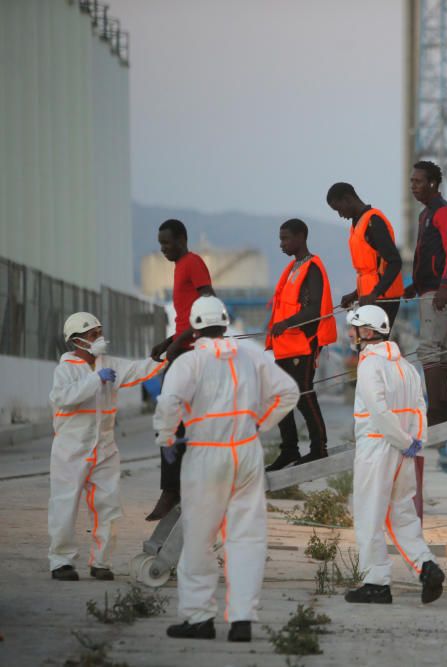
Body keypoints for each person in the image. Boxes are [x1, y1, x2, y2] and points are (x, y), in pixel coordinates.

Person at [154, 296, 299, 641]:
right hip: (246, 454)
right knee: (246, 538)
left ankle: (199, 618)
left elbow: (170, 402)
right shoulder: (251, 354)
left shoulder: (189, 363)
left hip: (206, 455)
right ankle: (242, 621)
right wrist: (258, 424)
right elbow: (288, 392)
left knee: (199, 539)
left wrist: (166, 437)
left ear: (194, 327)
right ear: (224, 321)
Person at [49, 313, 166, 581]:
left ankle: (101, 562)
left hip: (104, 449)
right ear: (77, 341)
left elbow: (139, 369)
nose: (99, 338)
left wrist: (166, 354)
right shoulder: (64, 370)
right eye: (93, 335)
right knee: (64, 506)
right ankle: (60, 561)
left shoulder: (109, 364)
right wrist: (95, 380)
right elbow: (64, 398)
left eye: (99, 332)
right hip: (71, 451)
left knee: (108, 506)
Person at [344, 305, 446, 605]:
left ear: (368, 332)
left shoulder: (369, 365)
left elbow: (378, 412)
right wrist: (415, 442)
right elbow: (419, 408)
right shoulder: (406, 367)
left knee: (369, 516)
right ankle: (427, 567)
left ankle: (376, 582)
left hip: (377, 448)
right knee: (402, 514)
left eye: (355, 328)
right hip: (405, 452)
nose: (351, 334)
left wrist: (401, 440)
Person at [147, 219, 215, 521]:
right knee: (175, 423)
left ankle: (172, 490)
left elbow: (208, 306)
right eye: (160, 244)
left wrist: (180, 343)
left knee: (171, 419)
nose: (163, 249)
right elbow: (187, 318)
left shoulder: (193, 263)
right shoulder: (179, 266)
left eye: (168, 243)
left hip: (191, 354)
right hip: (182, 348)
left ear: (183, 239)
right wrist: (167, 342)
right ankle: (178, 486)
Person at [265, 218, 338, 471]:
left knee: (304, 395)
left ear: (301, 237)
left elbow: (314, 309)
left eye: (285, 238)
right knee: (280, 397)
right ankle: (289, 450)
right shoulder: (293, 268)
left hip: (303, 345)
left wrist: (286, 323)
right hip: (286, 347)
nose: (281, 244)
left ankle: (319, 448)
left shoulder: (313, 267)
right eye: (280, 238)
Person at [406, 161, 447, 425]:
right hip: (428, 288)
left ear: (432, 183)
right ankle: (440, 408)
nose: (413, 186)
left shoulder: (444, 213)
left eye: (418, 181)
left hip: (440, 290)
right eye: (412, 181)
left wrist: (445, 285)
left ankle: (435, 411)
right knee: (438, 347)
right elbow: (423, 253)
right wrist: (415, 285)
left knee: (429, 348)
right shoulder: (425, 214)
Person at [327, 182, 404, 328]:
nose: (340, 214)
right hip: (370, 298)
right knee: (365, 346)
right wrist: (356, 294)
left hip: (383, 299)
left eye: (339, 209)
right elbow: (371, 268)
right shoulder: (357, 224)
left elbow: (395, 262)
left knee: (372, 345)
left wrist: (375, 294)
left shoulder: (373, 222)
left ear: (348, 199)